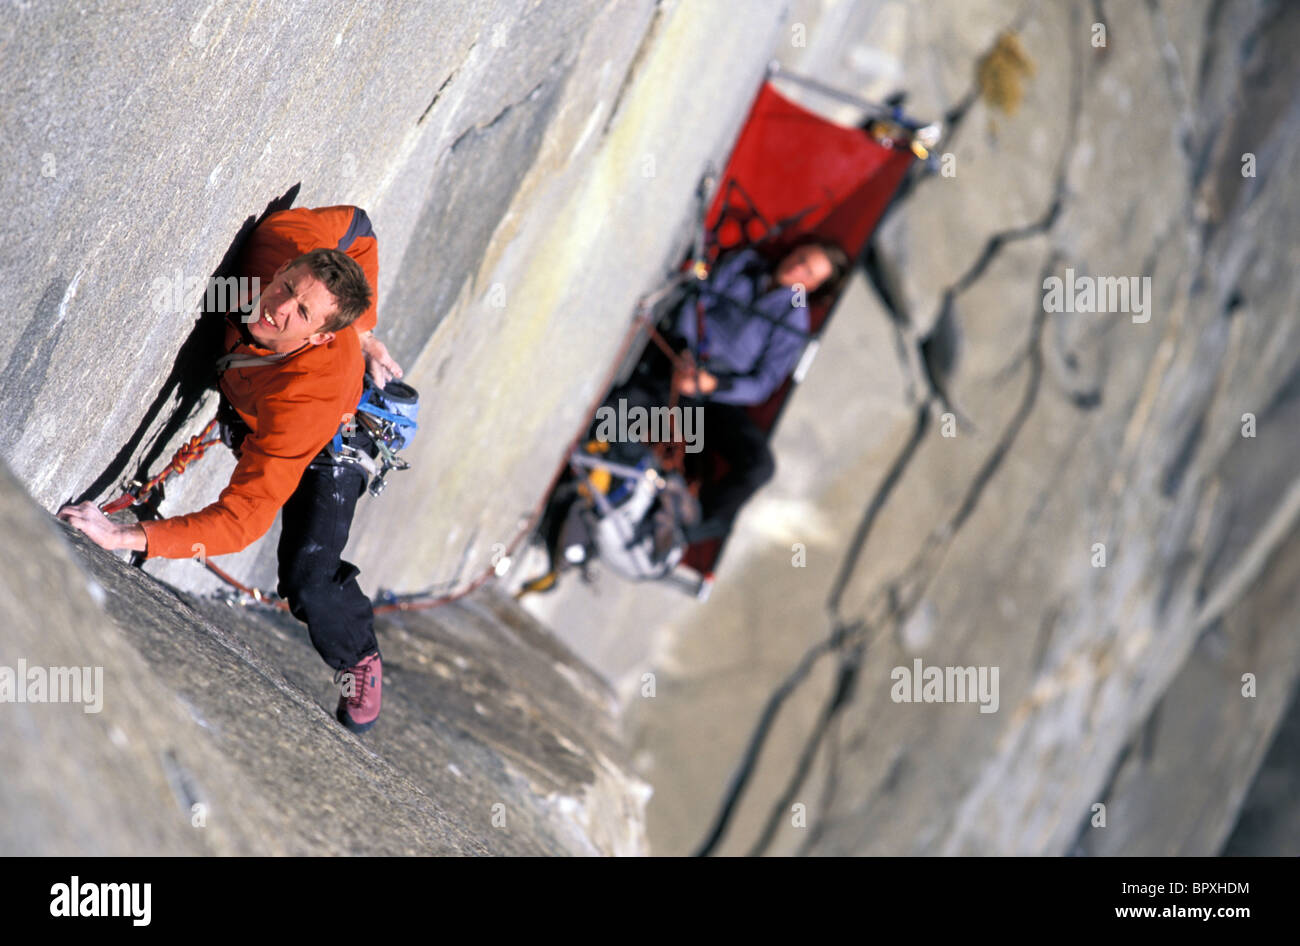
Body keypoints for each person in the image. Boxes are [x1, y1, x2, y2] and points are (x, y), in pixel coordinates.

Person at [57, 206, 403, 734]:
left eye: (302, 312)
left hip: (330, 442)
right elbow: (359, 226)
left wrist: (123, 536)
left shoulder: (305, 399)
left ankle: (358, 659)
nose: (278, 306)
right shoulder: (280, 242)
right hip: (259, 401)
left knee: (307, 573)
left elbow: (244, 520)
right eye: (287, 285)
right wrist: (365, 331)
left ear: (316, 337)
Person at [670, 238, 848, 543]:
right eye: (802, 257)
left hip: (717, 398)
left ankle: (690, 530)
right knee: (632, 414)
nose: (798, 269)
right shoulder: (745, 264)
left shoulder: (795, 319)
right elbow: (696, 301)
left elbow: (762, 385)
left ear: (813, 288)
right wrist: (683, 352)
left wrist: (715, 384)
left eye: (809, 274)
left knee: (758, 466)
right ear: (794, 249)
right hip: (676, 366)